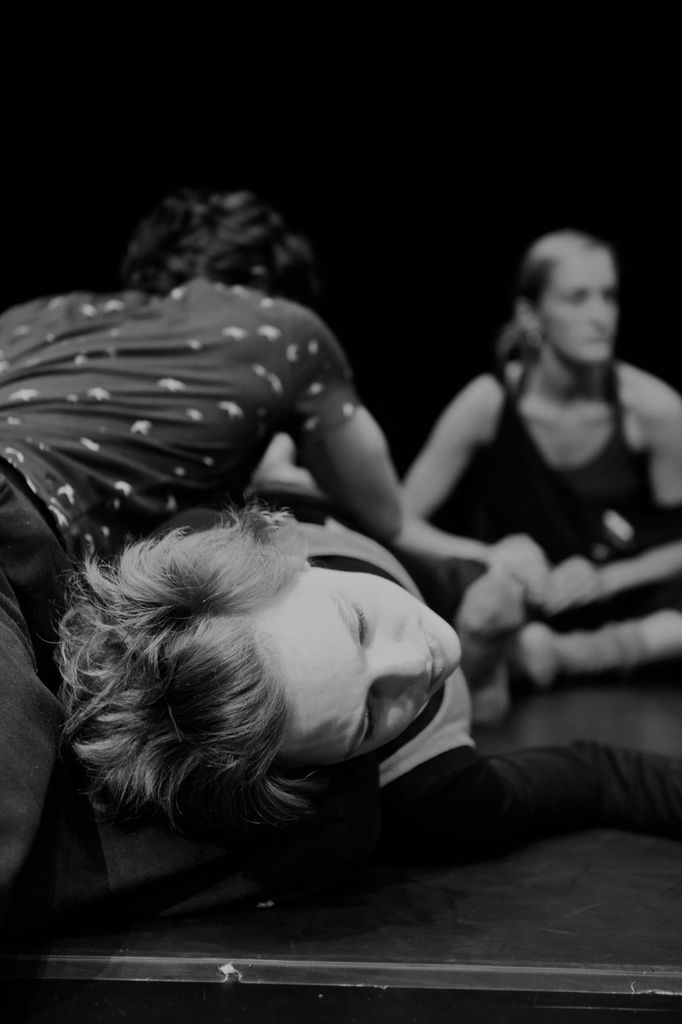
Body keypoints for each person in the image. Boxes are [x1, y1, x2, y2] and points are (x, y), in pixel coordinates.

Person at [0, 187, 404, 933]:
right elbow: (386, 511)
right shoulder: (285, 329)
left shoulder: (38, 313)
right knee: (332, 810)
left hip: (26, 566)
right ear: (266, 281)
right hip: (19, 531)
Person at [48, 499, 682, 934]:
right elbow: (601, 776)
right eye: (369, 717)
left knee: (497, 598)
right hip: (456, 675)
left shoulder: (214, 547)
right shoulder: (439, 794)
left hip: (402, 554)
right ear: (324, 772)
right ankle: (541, 660)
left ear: (282, 552)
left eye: (357, 626)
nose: (416, 660)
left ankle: (524, 654)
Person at [399, 228, 682, 697]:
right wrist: (488, 554)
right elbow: (398, 521)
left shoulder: (653, 411)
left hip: (624, 607)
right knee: (473, 594)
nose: (600, 316)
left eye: (609, 297)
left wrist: (608, 578)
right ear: (531, 314)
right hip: (520, 602)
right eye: (578, 298)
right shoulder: (489, 403)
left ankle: (567, 656)